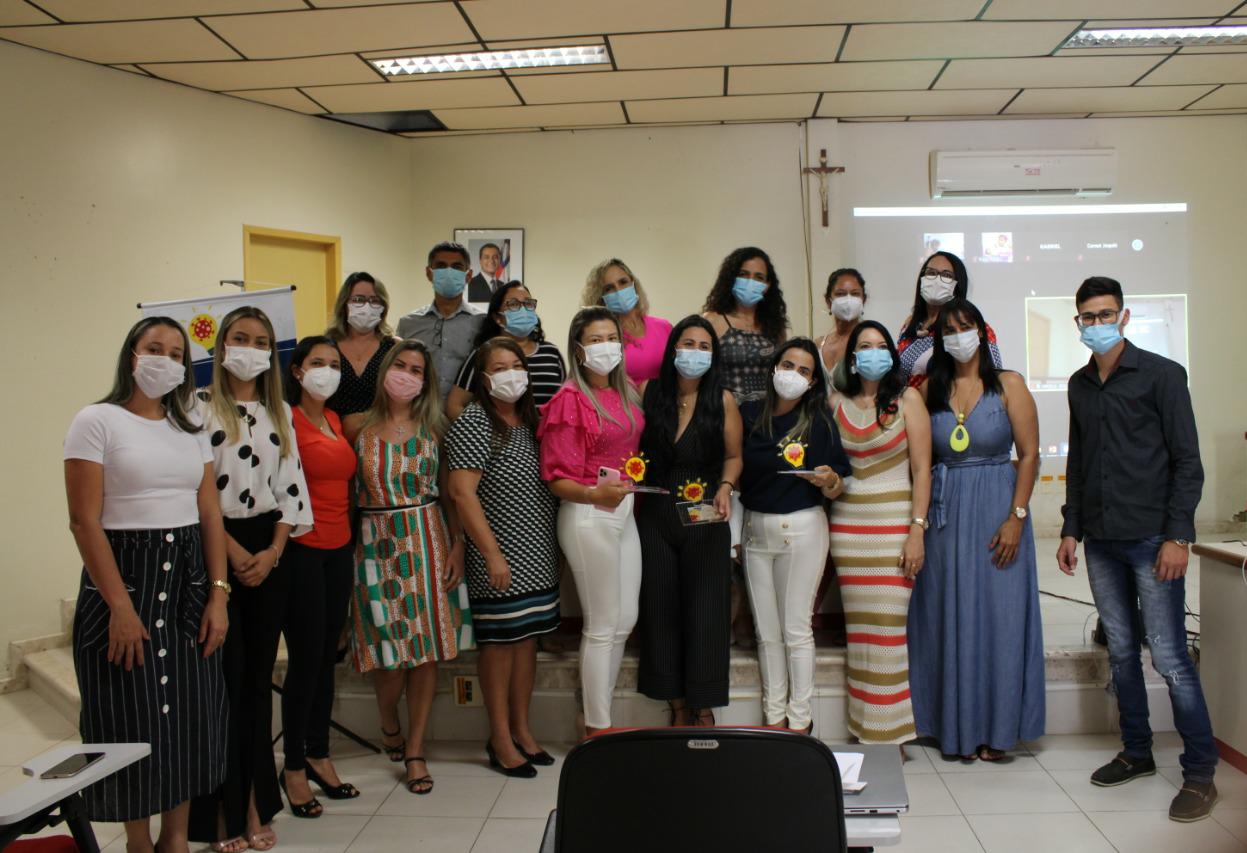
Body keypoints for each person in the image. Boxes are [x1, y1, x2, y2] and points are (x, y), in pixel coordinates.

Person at [64, 317, 229, 853]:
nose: (166, 360)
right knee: (127, 714)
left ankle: (175, 838)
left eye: (177, 353)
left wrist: (218, 594)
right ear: (131, 355)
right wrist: (119, 606)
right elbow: (85, 521)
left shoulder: (192, 425)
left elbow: (209, 512)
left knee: (188, 713)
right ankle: (139, 841)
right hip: (125, 577)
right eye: (154, 348)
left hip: (187, 579)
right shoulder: (96, 421)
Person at [1057, 276, 1216, 822]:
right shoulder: (1080, 385)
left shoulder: (1163, 375)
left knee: (1170, 657)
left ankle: (1200, 774)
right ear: (1078, 322)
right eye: (1088, 317)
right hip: (1101, 540)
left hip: (1153, 537)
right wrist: (1071, 528)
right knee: (1121, 652)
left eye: (1106, 314)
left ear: (1123, 317)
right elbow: (1080, 462)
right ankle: (1137, 752)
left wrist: (1178, 536)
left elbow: (1188, 462)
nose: (1097, 324)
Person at [187, 306, 313, 852]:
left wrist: (274, 550)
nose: (251, 349)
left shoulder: (279, 411)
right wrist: (234, 552)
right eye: (241, 338)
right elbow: (195, 493)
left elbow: (291, 488)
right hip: (216, 547)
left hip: (269, 549)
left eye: (262, 341)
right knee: (225, 683)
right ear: (221, 347)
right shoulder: (195, 408)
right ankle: (220, 809)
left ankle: (257, 802)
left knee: (259, 683)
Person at [908, 297, 1044, 761]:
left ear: (982, 332)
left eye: (965, 327)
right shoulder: (930, 388)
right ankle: (951, 728)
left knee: (999, 619)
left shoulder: (1009, 384)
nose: (957, 337)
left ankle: (997, 730)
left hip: (997, 510)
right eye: (948, 331)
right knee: (944, 614)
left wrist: (1016, 517)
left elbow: (1030, 455)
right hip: (945, 515)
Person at [343, 339, 472, 796]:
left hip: (427, 539)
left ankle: (415, 750)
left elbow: (450, 494)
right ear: (384, 370)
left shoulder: (435, 428)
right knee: (388, 654)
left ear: (426, 381)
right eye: (401, 365)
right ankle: (387, 719)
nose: (407, 375)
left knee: (425, 652)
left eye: (417, 370)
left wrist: (457, 545)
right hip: (374, 544)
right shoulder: (356, 426)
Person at [446, 338, 560, 777]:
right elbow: (462, 493)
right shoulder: (475, 421)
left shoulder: (531, 420)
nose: (511, 374)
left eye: (517, 365)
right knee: (500, 645)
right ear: (483, 377)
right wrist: (492, 554)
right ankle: (499, 738)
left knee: (527, 641)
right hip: (499, 553)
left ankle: (522, 731)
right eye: (499, 367)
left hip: (536, 553)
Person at [538, 306, 644, 735]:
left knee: (625, 620)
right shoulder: (570, 398)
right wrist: (593, 494)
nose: (606, 347)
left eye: (612, 339)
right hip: (587, 513)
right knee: (602, 625)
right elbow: (556, 478)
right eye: (596, 340)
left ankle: (597, 715)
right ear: (578, 350)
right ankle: (597, 729)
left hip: (623, 511)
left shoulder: (627, 391)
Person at [738, 338, 849, 732]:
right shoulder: (749, 414)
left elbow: (837, 486)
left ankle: (800, 722)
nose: (793, 375)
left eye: (804, 371)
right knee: (766, 634)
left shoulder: (819, 422)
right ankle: (774, 719)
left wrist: (829, 480)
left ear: (813, 381)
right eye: (788, 366)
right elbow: (733, 468)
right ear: (774, 368)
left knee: (796, 630)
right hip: (755, 532)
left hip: (802, 530)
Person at [635, 315, 742, 726]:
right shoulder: (649, 392)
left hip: (706, 511)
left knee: (706, 609)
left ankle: (703, 704)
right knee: (660, 606)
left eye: (704, 346)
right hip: (657, 510)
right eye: (688, 344)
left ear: (713, 355)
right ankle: (677, 704)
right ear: (673, 349)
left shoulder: (722, 399)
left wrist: (726, 486)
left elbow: (734, 456)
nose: (695, 353)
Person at [829, 321, 931, 745]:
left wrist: (917, 530)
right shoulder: (835, 403)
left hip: (894, 528)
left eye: (881, 346)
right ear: (852, 358)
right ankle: (863, 727)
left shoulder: (908, 400)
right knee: (861, 634)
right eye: (865, 346)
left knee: (888, 632)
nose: (874, 352)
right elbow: (833, 471)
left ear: (891, 354)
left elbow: (922, 470)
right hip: (847, 530)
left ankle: (889, 734)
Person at [280, 336, 360, 817]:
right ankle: (293, 766)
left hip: (339, 549)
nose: (327, 371)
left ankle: (318, 753)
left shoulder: (333, 419)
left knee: (328, 657)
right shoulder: (285, 421)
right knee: (306, 661)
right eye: (317, 363)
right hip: (302, 551)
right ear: (297, 371)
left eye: (334, 364)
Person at [446, 280, 566, 419]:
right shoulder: (483, 354)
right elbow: (454, 405)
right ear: (497, 317)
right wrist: (482, 430)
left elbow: (565, 402)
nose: (523, 310)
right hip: (497, 433)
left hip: (548, 433)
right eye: (513, 304)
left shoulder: (551, 353)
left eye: (528, 303)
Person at [396, 241, 486, 401]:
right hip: (419, 412)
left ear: (468, 275)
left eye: (457, 267)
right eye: (441, 266)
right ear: (429, 273)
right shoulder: (408, 323)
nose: (449, 272)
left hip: (465, 412)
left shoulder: (483, 322)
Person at [896, 251, 1002, 387]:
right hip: (909, 399)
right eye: (931, 273)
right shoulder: (910, 325)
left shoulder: (971, 327)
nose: (937, 280)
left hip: (948, 399)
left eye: (946, 275)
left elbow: (994, 376)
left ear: (958, 284)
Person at [702, 246, 789, 403]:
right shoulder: (712, 320)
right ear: (731, 278)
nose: (750, 281)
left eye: (759, 277)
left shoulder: (776, 325)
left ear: (767, 286)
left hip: (766, 411)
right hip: (724, 410)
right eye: (743, 274)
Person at [581, 258, 672, 383]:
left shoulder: (663, 327)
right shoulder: (604, 337)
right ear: (600, 297)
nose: (618, 291)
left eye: (623, 282)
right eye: (609, 288)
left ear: (633, 284)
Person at [325, 271, 397, 417]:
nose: (366, 306)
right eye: (358, 299)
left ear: (383, 307)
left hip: (378, 427)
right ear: (344, 304)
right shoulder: (326, 346)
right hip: (333, 427)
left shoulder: (393, 348)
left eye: (374, 300)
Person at [815, 267, 868, 395]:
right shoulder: (818, 344)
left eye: (855, 294)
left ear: (863, 300)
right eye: (840, 294)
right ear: (828, 301)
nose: (848, 300)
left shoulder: (870, 343)